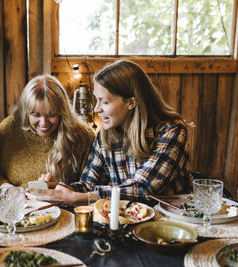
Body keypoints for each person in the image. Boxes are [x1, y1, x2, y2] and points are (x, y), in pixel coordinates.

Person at [27, 60, 192, 205]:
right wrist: (59, 189)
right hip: (121, 224)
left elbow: (143, 188)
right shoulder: (105, 135)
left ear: (131, 102)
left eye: (105, 102)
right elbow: (87, 186)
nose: (97, 109)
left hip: (169, 224)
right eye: (96, 100)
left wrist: (78, 198)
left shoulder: (172, 131)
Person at [0, 75, 95, 196]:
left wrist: (60, 188)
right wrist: (8, 189)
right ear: (26, 112)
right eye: (36, 115)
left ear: (62, 112)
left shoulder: (82, 136)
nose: (44, 123)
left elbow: (90, 186)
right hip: (16, 208)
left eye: (51, 115)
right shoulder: (8, 129)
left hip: (65, 211)